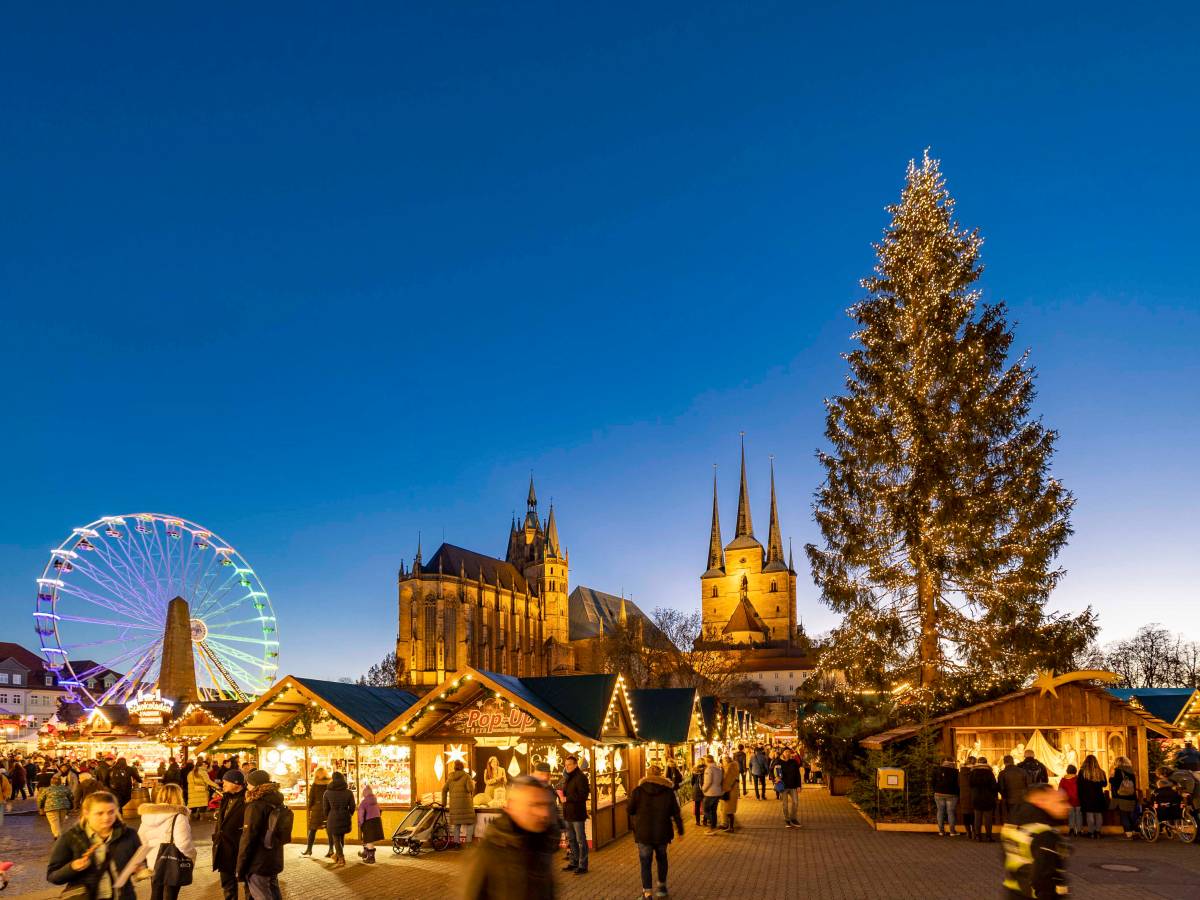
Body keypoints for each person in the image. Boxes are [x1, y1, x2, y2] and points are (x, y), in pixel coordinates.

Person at [461, 775, 557, 900]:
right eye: (535, 804)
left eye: (547, 805)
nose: (544, 813)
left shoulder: (542, 844)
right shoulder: (490, 850)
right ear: (512, 806)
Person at [46, 790, 143, 900]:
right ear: (86, 813)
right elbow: (52, 876)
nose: (106, 818)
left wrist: (138, 869)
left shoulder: (129, 834)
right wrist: (72, 867)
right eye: (99, 813)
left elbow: (138, 862)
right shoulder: (70, 838)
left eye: (111, 812)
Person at [1000, 784, 1069, 899]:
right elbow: (1043, 878)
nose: (1067, 806)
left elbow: (1006, 858)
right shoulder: (1044, 834)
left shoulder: (1011, 826)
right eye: (1060, 802)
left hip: (1013, 892)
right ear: (1041, 802)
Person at [627, 765, 684, 900]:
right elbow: (676, 812)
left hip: (644, 833)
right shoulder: (668, 792)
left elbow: (630, 810)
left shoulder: (638, 791)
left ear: (646, 775)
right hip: (662, 832)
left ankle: (647, 893)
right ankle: (662, 887)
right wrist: (680, 829)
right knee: (662, 859)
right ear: (660, 775)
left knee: (645, 862)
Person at [139, 783, 197, 900]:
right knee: (170, 895)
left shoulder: (148, 815)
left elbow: (141, 838)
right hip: (171, 861)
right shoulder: (178, 816)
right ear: (178, 796)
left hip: (153, 862)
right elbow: (183, 843)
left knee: (155, 893)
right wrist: (192, 855)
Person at [236, 769, 286, 900]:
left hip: (258, 862)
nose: (247, 786)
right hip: (273, 858)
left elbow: (248, 838)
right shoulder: (277, 801)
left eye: (249, 783)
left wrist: (240, 867)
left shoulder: (255, 806)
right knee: (274, 893)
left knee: (262, 895)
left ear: (256, 785)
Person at [213, 769, 247, 900]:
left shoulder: (246, 800)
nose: (223, 785)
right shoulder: (226, 798)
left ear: (236, 783)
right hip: (224, 848)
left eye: (226, 782)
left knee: (248, 883)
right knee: (227, 885)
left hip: (239, 847)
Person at [559, 755, 590, 875]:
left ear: (575, 765)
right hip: (568, 813)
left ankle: (583, 865)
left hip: (577, 814)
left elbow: (583, 795)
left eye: (569, 765)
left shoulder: (581, 777)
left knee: (581, 840)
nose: (566, 767)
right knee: (571, 840)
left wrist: (567, 798)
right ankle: (574, 862)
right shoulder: (567, 777)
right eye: (565, 765)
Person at [322, 771, 355, 869]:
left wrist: (328, 817)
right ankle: (337, 855)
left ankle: (341, 858)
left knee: (336, 838)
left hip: (333, 817)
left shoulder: (327, 792)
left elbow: (325, 808)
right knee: (341, 837)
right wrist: (349, 814)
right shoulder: (348, 792)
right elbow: (352, 806)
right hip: (345, 816)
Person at [443, 760, 478, 848]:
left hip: (454, 806)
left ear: (455, 767)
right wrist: (473, 784)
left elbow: (444, 789)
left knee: (457, 825)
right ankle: (468, 842)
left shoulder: (450, 777)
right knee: (470, 823)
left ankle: (457, 843)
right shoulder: (467, 776)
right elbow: (470, 789)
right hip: (466, 805)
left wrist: (443, 803)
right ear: (462, 767)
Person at [530, 762, 563, 847]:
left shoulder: (549, 789)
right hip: (533, 838)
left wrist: (560, 825)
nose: (545, 777)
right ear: (534, 774)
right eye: (541, 774)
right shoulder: (527, 789)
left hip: (547, 840)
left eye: (547, 774)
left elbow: (553, 810)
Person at [300, 768, 332, 857]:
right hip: (328, 809)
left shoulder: (315, 784)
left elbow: (311, 797)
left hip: (317, 809)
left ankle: (309, 849)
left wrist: (309, 807)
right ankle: (331, 850)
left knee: (312, 830)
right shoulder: (330, 783)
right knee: (329, 830)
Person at [1077, 754, 1107, 839]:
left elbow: (1079, 786)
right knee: (1098, 814)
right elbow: (1105, 784)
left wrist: (1080, 797)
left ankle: (1091, 832)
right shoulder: (1101, 772)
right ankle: (1098, 832)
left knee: (1089, 815)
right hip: (1099, 796)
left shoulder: (1082, 772)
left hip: (1087, 797)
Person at [969, 755, 999, 842]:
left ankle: (978, 836)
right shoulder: (989, 773)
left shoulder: (973, 772)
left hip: (976, 798)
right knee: (988, 818)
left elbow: (970, 785)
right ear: (986, 763)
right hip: (988, 798)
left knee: (977, 818)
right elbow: (994, 786)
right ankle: (988, 836)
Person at [1109, 756, 1139, 838]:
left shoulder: (1118, 771)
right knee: (1131, 814)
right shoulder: (1131, 771)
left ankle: (1128, 832)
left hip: (1122, 796)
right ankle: (1134, 830)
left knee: (1124, 815)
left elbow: (1114, 782)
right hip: (1132, 796)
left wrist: (1111, 777)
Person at [774, 748, 803, 829]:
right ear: (782, 753)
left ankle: (793, 818)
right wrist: (775, 778)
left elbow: (798, 774)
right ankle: (787, 819)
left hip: (793, 786)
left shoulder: (793, 762)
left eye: (789, 752)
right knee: (785, 805)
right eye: (786, 752)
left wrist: (799, 786)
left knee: (795, 802)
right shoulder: (778, 762)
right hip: (783, 787)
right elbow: (771, 771)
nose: (788, 753)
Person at [39, 775, 74, 840]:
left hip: (51, 808)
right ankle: (59, 834)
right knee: (61, 821)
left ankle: (57, 835)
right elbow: (71, 797)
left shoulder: (47, 789)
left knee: (54, 822)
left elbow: (41, 799)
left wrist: (41, 807)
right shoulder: (65, 788)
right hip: (64, 807)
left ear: (51, 782)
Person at [355, 785, 384, 864]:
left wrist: (360, 823)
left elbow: (361, 814)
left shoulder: (363, 802)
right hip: (376, 821)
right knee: (367, 839)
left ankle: (371, 857)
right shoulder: (375, 801)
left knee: (369, 840)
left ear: (364, 793)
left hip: (368, 822)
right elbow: (380, 810)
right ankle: (365, 853)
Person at [931, 757, 959, 837]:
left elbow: (933, 782)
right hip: (952, 794)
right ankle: (952, 832)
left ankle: (941, 831)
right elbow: (958, 784)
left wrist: (936, 790)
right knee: (950, 812)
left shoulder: (937, 770)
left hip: (938, 793)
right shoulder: (955, 772)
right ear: (952, 763)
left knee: (940, 811)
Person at [999, 755, 1028, 824]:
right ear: (1013, 761)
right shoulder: (1023, 771)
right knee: (1021, 818)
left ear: (1004, 762)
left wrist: (1004, 797)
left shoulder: (1002, 773)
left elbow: (1001, 787)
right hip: (1022, 799)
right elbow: (1028, 784)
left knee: (1011, 819)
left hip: (1009, 800)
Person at [701, 753, 724, 834]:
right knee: (713, 810)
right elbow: (721, 780)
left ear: (707, 761)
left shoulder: (709, 769)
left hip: (710, 793)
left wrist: (703, 789)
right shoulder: (718, 769)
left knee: (705, 810)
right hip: (717, 792)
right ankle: (713, 827)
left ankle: (713, 825)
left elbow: (708, 782)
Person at [720, 754, 740, 833]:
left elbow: (727, 781)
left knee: (729, 811)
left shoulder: (729, 769)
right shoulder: (733, 767)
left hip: (729, 792)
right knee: (728, 810)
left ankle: (730, 827)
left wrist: (723, 790)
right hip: (732, 792)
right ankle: (727, 825)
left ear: (727, 761)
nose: (723, 763)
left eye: (724, 761)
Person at [1059, 764, 1081, 836]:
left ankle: (1071, 829)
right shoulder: (1078, 779)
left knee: (1071, 815)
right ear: (1075, 771)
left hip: (1068, 800)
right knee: (1078, 815)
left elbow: (1060, 790)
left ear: (1067, 771)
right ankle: (1079, 830)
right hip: (1078, 800)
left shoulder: (1063, 780)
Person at [958, 755, 977, 840]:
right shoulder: (975, 772)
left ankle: (968, 831)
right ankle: (974, 832)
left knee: (966, 814)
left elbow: (958, 783)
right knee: (973, 814)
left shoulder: (961, 772)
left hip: (963, 795)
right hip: (973, 794)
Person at [689, 759, 706, 826]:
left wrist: (694, 786)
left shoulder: (694, 770)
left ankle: (697, 821)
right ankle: (705, 820)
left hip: (696, 788)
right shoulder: (706, 769)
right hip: (705, 788)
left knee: (697, 805)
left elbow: (692, 781)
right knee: (705, 806)